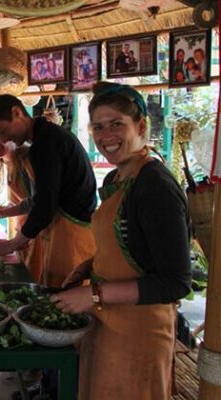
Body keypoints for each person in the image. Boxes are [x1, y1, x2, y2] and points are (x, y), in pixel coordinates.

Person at [52, 82, 192, 399]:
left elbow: (175, 282)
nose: (106, 137)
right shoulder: (117, 179)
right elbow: (133, 246)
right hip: (106, 323)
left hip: (139, 335)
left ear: (140, 125)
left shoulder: (155, 184)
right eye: (98, 127)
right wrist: (89, 266)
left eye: (117, 124)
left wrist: (96, 293)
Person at [0, 94, 97, 287]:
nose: (5, 138)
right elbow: (40, 198)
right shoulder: (46, 138)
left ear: (17, 113)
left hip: (72, 237)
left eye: (3, 131)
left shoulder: (46, 144)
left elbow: (45, 205)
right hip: (63, 233)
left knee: (66, 298)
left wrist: (14, 242)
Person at [0, 134, 43, 283]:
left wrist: (2, 213)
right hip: (23, 232)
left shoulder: (26, 160)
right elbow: (20, 202)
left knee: (33, 282)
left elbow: (36, 203)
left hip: (37, 233)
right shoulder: (9, 162)